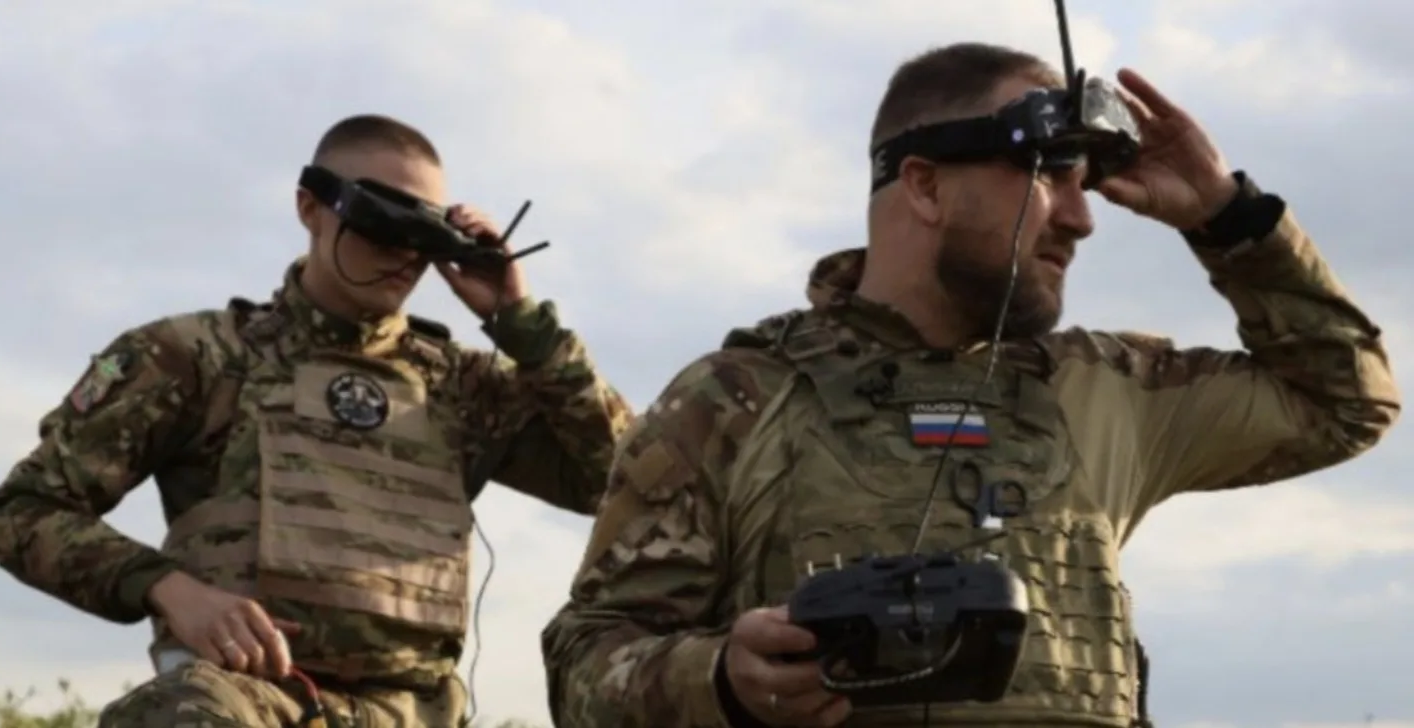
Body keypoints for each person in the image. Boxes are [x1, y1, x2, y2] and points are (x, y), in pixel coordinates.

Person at [539, 43, 1400, 728]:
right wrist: (721, 679)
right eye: (1048, 173)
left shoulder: (1106, 389)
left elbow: (1346, 401)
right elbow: (585, 660)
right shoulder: (734, 399)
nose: (1082, 218)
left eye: (1085, 181)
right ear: (924, 185)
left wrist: (1227, 214)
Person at [0, 113, 633, 727]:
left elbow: (625, 484)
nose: (403, 255)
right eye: (381, 223)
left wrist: (523, 325)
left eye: (423, 237)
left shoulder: (463, 385)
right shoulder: (198, 357)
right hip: (246, 702)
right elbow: (25, 510)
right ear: (311, 207)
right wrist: (167, 589)